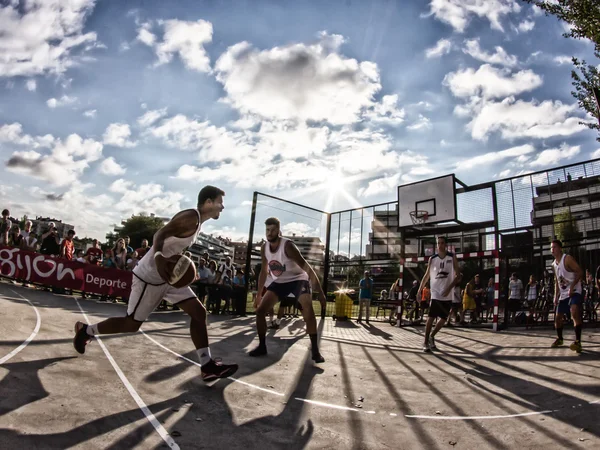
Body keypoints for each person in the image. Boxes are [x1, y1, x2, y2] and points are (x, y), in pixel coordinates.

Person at [72, 185, 238, 382]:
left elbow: (173, 246)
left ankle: (207, 366)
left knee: (199, 312)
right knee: (131, 324)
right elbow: (159, 234)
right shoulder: (191, 217)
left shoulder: (198, 223)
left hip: (167, 277)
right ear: (208, 202)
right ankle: (86, 331)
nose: (222, 207)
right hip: (150, 277)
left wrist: (184, 269)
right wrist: (159, 256)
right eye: (220, 202)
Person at [249, 217, 326, 362]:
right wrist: (259, 294)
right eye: (267, 230)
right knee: (260, 312)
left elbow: (307, 267)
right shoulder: (264, 247)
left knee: (307, 311)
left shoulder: (288, 246)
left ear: (279, 230)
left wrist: (320, 292)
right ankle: (262, 346)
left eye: (273, 230)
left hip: (298, 279)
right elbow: (264, 272)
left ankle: (315, 352)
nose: (269, 233)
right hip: (280, 281)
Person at [417, 236, 460, 352]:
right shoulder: (432, 258)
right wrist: (419, 290)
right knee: (431, 317)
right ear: (436, 245)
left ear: (445, 244)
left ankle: (432, 336)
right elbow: (426, 276)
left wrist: (449, 288)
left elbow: (459, 276)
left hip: (447, 294)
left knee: (444, 319)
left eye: (442, 243)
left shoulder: (452, 257)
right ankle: (425, 342)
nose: (440, 245)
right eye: (438, 243)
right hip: (435, 292)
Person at [550, 239, 584, 353]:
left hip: (574, 291)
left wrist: (572, 286)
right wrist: (556, 295)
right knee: (558, 318)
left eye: (554, 247)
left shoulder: (567, 259)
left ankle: (578, 342)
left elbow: (579, 272)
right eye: (551, 248)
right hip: (563, 294)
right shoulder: (553, 264)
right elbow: (557, 281)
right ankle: (560, 339)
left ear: (560, 248)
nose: (552, 250)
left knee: (574, 312)